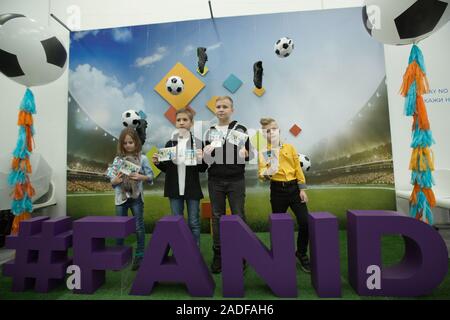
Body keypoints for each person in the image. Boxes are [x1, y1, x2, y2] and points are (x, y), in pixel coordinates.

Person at [203, 96, 253, 274]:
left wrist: (246, 152)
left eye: (225, 106)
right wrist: (205, 154)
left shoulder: (241, 129)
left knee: (239, 215)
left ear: (232, 109)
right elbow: (206, 161)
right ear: (214, 110)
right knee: (217, 217)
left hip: (236, 179)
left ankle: (242, 254)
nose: (221, 109)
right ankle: (219, 254)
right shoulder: (209, 132)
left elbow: (250, 155)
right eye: (218, 107)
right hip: (215, 180)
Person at [258, 118, 311, 273]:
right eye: (267, 131)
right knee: (278, 226)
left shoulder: (290, 147)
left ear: (279, 130)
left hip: (294, 189)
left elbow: (297, 168)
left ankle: (301, 253)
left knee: (305, 222)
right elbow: (261, 173)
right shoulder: (264, 152)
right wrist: (267, 173)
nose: (271, 132)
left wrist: (302, 189)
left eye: (274, 129)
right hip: (277, 191)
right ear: (264, 134)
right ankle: (280, 256)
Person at [152, 108, 207, 247]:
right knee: (178, 223)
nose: (181, 122)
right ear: (175, 123)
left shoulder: (199, 143)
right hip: (174, 189)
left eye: (185, 120)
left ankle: (195, 255)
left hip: (192, 189)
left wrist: (202, 159)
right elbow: (167, 169)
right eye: (178, 120)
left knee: (194, 222)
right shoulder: (170, 144)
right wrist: (158, 163)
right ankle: (182, 254)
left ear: (191, 123)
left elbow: (203, 169)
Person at [109, 127, 154, 271]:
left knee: (139, 228)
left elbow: (150, 176)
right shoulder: (117, 160)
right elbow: (112, 179)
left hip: (136, 198)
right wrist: (114, 180)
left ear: (136, 143)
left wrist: (142, 177)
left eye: (131, 142)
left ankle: (140, 257)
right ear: (121, 144)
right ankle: (118, 258)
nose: (128, 145)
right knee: (119, 228)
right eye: (125, 143)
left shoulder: (144, 158)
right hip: (120, 198)